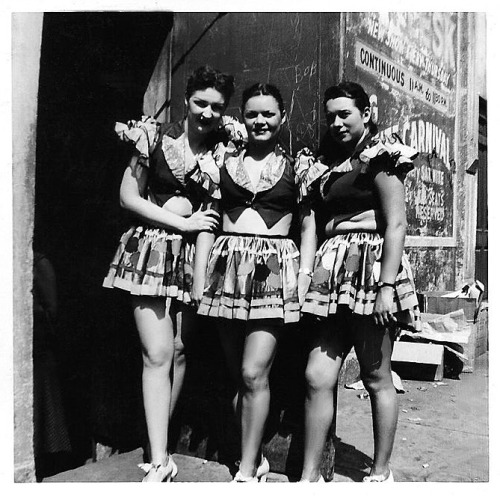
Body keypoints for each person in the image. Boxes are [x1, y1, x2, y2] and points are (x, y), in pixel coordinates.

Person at [103, 65, 236, 482]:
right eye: (200, 103)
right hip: (149, 251)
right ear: (186, 100)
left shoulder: (224, 150)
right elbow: (128, 196)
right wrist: (181, 222)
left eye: (216, 106)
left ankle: (159, 442)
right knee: (156, 353)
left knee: (180, 351)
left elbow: (215, 214)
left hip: (194, 258)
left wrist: (199, 265)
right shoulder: (155, 136)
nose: (207, 113)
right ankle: (159, 459)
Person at [299, 81, 420, 483]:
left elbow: (396, 223)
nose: (335, 122)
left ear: (366, 113)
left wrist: (386, 288)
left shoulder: (380, 157)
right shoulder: (330, 165)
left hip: (371, 273)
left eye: (344, 114)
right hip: (332, 278)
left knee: (375, 375)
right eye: (330, 115)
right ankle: (309, 475)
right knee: (317, 375)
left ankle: (380, 470)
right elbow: (320, 222)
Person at [196, 83, 317, 482]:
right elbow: (210, 223)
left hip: (272, 271)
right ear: (242, 117)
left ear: (281, 117)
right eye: (252, 114)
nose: (260, 121)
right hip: (226, 272)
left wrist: (303, 275)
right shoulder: (224, 163)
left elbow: (308, 225)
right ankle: (254, 458)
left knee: (253, 373)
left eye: (268, 114)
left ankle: (248, 469)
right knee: (236, 376)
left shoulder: (297, 167)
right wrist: (200, 279)